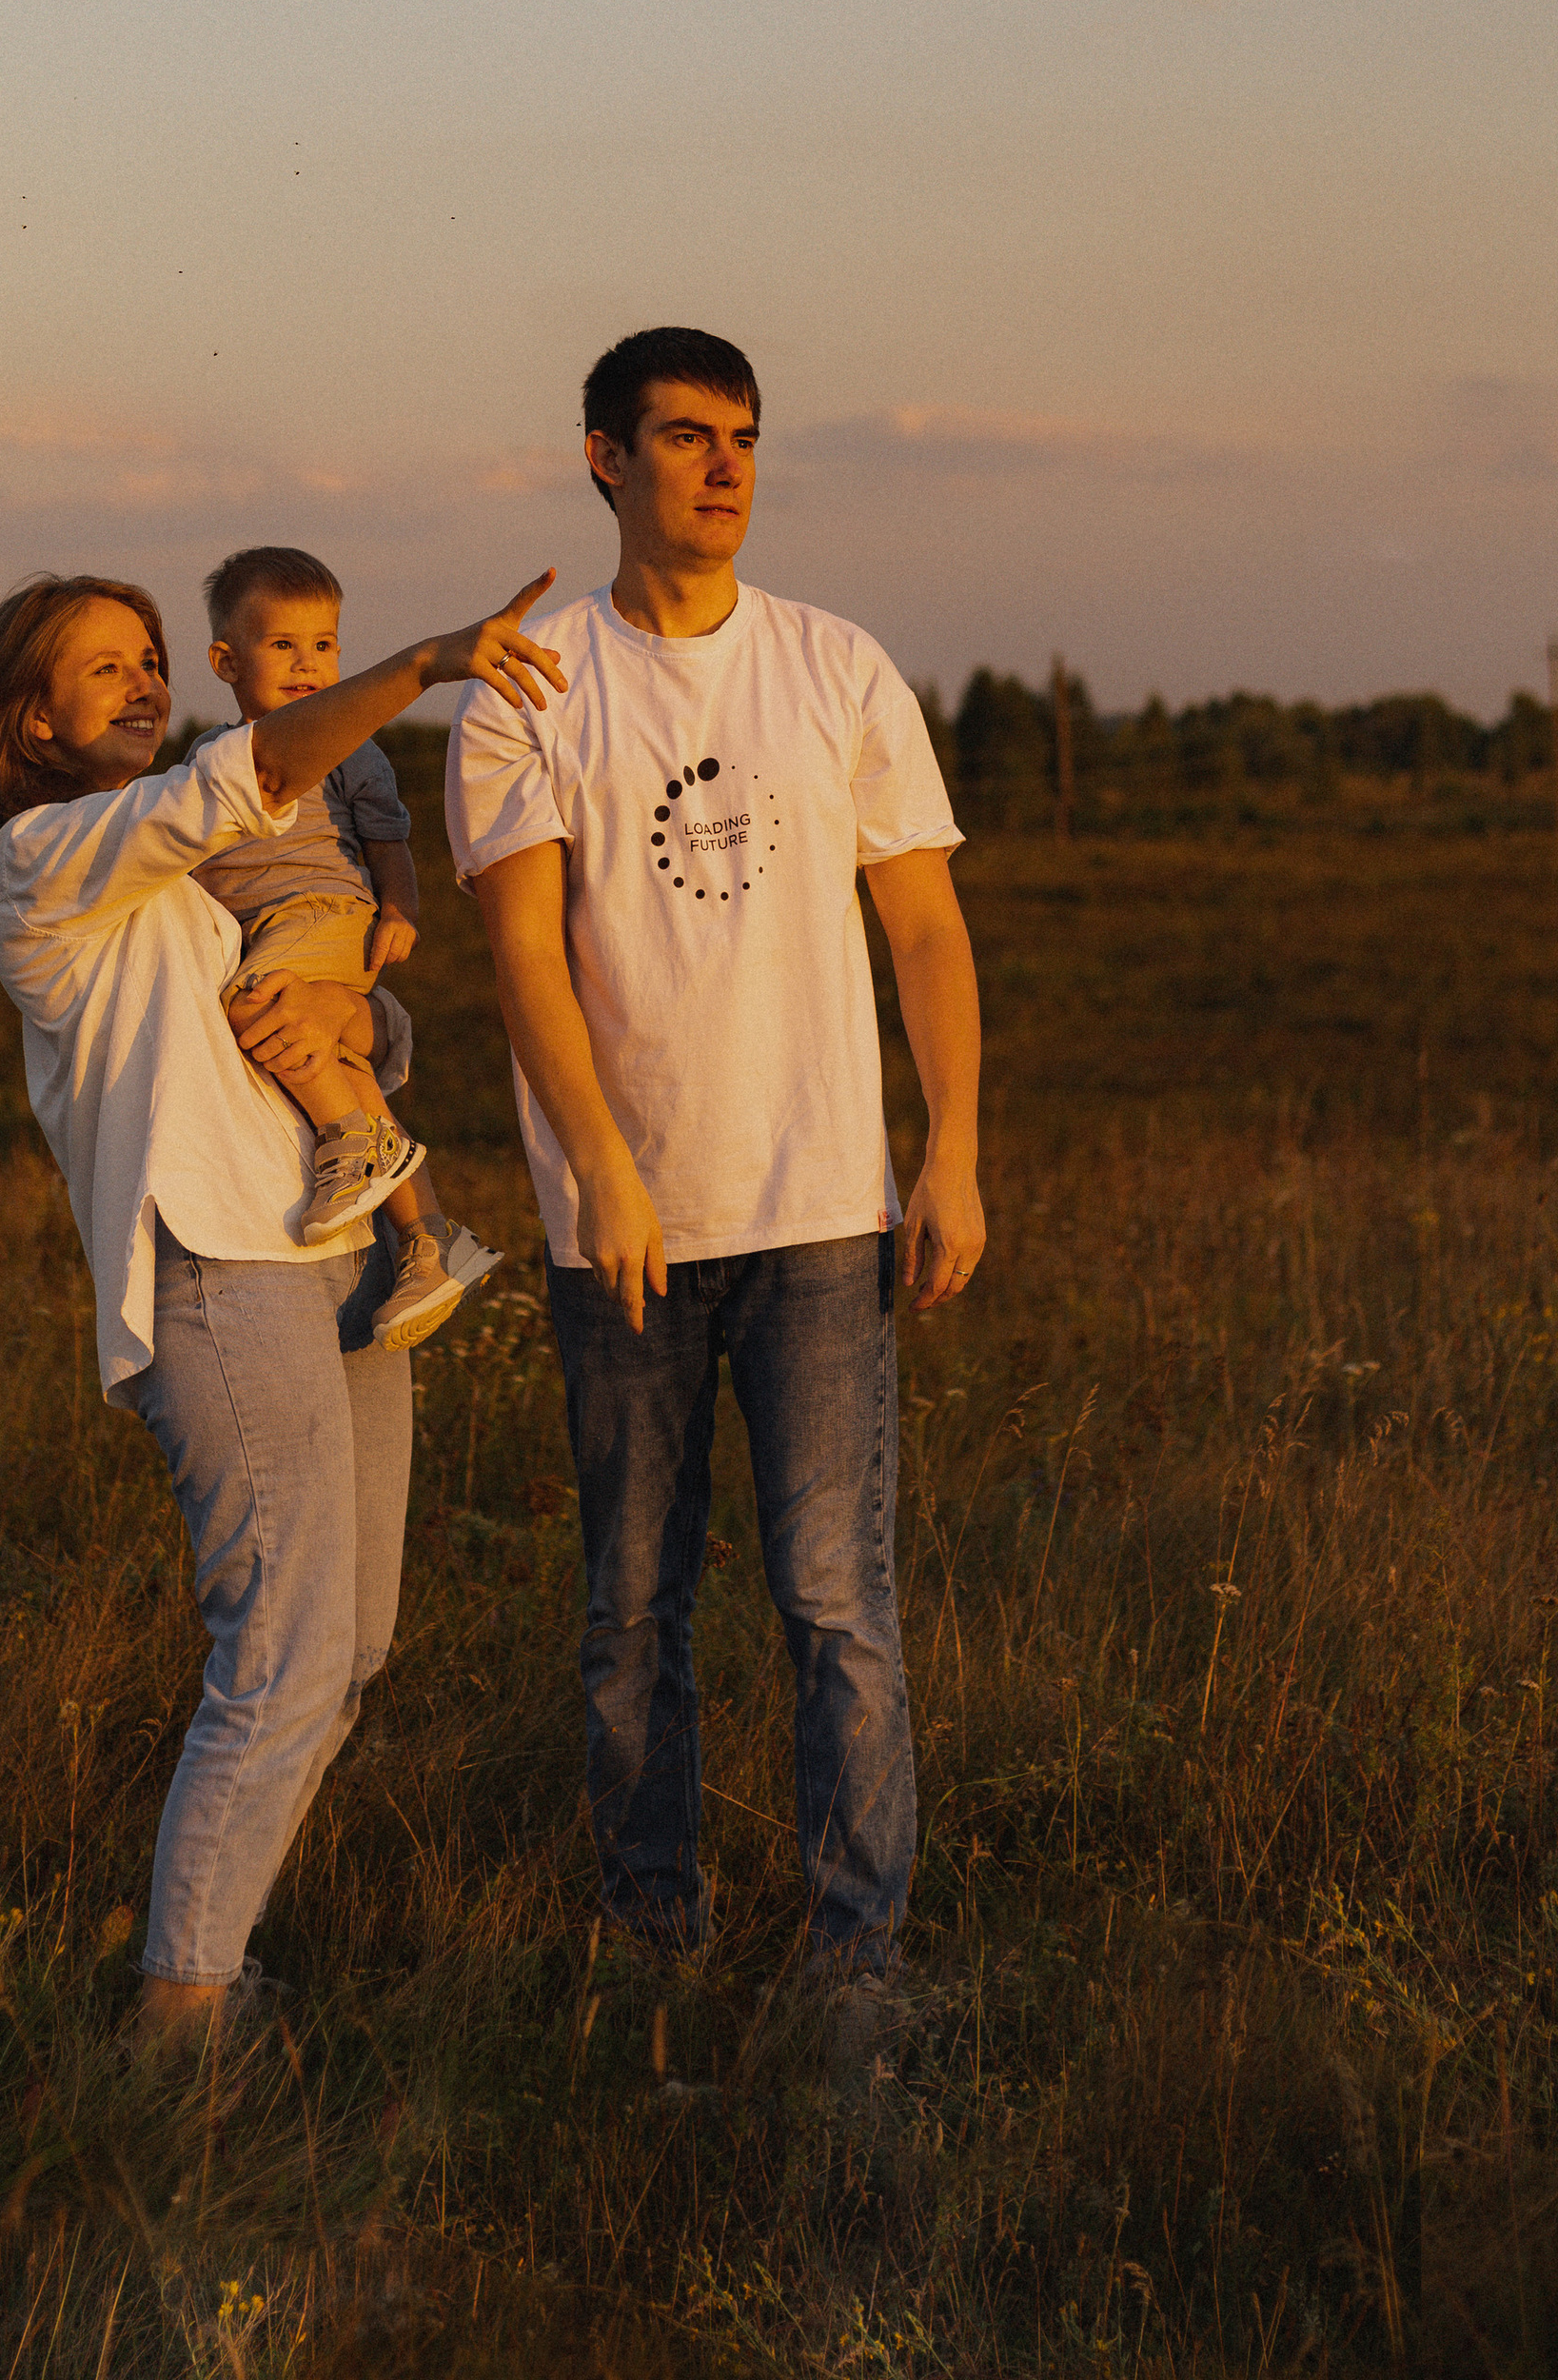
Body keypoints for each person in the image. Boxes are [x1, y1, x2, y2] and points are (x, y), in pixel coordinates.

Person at [0, 560, 562, 2062]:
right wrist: (420, 663)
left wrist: (361, 1011)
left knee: (349, 1649)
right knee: (277, 1656)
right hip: (213, 1269)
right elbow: (240, 777)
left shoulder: (191, 879)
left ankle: (214, 1968)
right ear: (28, 721)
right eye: (104, 670)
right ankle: (179, 2032)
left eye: (152, 660)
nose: (145, 684)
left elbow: (329, 1024)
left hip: (330, 1258)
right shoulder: (43, 859)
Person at [444, 327, 984, 2009]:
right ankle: (652, 1940)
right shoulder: (530, 682)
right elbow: (525, 958)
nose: (726, 465)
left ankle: (856, 1959)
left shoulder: (838, 669)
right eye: (687, 437)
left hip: (825, 1208)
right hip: (627, 1229)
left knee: (837, 1603)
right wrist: (602, 1169)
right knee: (630, 1611)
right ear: (605, 457)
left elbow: (927, 930)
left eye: (744, 435)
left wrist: (952, 1149)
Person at [193, 542, 499, 1352]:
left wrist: (400, 909)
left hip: (326, 911)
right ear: (226, 661)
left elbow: (390, 842)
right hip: (272, 929)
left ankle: (357, 1144)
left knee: (261, 1010)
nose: (308, 664)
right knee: (340, 1059)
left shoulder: (350, 747)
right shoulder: (207, 761)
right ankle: (429, 1243)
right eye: (282, 645)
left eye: (324, 645)